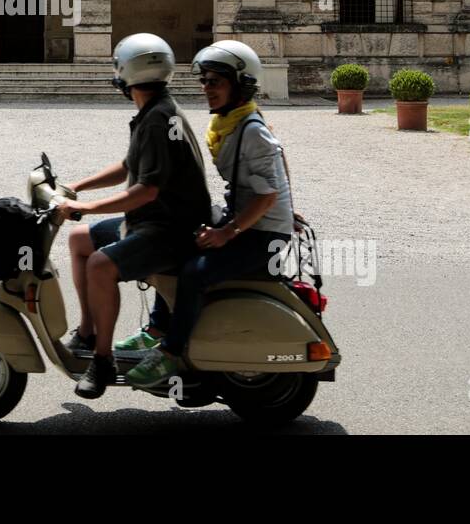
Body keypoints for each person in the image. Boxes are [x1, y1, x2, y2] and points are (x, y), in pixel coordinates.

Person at [124, 40, 294, 388]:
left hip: (263, 234)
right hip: (249, 219)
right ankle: (158, 326)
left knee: (193, 271)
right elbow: (281, 161)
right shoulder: (235, 122)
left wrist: (226, 232)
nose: (206, 89)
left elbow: (266, 196)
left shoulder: (251, 130)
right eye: (204, 81)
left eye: (215, 81)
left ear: (240, 84)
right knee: (178, 238)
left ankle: (171, 352)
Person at [59, 33, 212, 399]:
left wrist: (86, 207)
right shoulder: (157, 111)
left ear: (124, 71)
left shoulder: (159, 119)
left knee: (99, 265)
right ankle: (87, 331)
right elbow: (130, 166)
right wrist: (77, 186)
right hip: (153, 221)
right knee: (79, 239)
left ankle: (102, 360)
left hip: (169, 230)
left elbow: (147, 190)